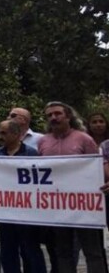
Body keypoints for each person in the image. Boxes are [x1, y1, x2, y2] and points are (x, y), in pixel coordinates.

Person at [38, 101, 106, 273]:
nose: (53, 117)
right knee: (63, 251)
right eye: (49, 115)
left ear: (68, 116)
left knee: (93, 251)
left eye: (58, 113)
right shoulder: (43, 141)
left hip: (85, 205)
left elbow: (98, 166)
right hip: (57, 206)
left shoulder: (84, 139)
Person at [0, 120, 46, 273]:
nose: (0, 136)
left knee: (30, 249)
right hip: (5, 211)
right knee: (8, 249)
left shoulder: (31, 153)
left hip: (27, 212)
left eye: (4, 133)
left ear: (16, 134)